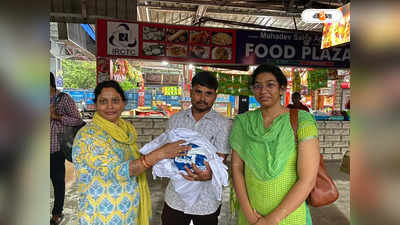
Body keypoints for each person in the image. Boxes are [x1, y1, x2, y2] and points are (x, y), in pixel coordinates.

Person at [72, 80, 190, 225]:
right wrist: (159, 154)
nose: (110, 106)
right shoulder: (89, 136)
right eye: (103, 101)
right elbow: (117, 171)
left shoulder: (125, 130)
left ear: (123, 104)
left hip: (127, 213)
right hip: (101, 214)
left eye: (115, 101)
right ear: (96, 104)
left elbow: (134, 160)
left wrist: (164, 156)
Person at [230, 64, 320, 225]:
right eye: (257, 86)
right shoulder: (243, 123)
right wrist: (249, 214)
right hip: (251, 215)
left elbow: (307, 180)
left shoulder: (302, 121)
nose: (263, 90)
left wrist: (272, 219)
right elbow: (237, 168)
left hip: (289, 216)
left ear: (282, 89)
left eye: (270, 85)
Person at [161, 71, 231, 225]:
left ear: (215, 96)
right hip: (176, 197)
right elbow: (166, 151)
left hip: (206, 200)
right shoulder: (175, 120)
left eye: (208, 94)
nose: (202, 98)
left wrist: (210, 173)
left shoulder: (223, 124)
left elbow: (220, 159)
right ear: (191, 92)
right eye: (198, 92)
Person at [50, 72, 84, 225]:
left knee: (57, 181)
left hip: (55, 148)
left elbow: (78, 120)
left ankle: (57, 213)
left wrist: (57, 117)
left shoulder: (63, 99)